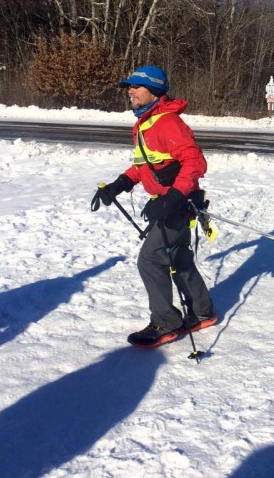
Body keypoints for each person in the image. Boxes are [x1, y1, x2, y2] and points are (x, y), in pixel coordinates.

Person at [92, 65, 216, 348]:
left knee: (150, 259)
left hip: (178, 203)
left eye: (135, 86)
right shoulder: (145, 123)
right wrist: (119, 184)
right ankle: (202, 312)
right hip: (170, 202)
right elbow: (144, 166)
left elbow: (195, 163)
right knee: (179, 259)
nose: (130, 91)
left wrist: (172, 198)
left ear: (155, 91)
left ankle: (166, 322)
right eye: (129, 87)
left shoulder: (167, 123)